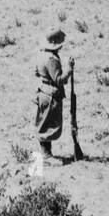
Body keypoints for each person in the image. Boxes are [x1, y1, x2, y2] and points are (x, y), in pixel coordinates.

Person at [34, 28, 72, 159]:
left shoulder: (41, 55)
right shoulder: (52, 59)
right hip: (51, 95)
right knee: (47, 125)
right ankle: (46, 156)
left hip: (43, 92)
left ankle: (46, 154)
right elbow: (59, 80)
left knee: (44, 123)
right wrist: (69, 70)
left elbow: (36, 72)